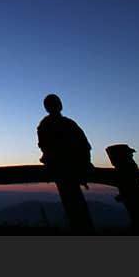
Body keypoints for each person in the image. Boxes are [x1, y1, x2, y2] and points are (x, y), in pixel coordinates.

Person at [37, 93, 94, 232]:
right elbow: (84, 145)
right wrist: (84, 163)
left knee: (72, 200)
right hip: (69, 167)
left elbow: (44, 146)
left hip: (61, 167)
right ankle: (84, 230)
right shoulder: (68, 123)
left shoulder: (46, 125)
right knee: (75, 201)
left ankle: (81, 229)